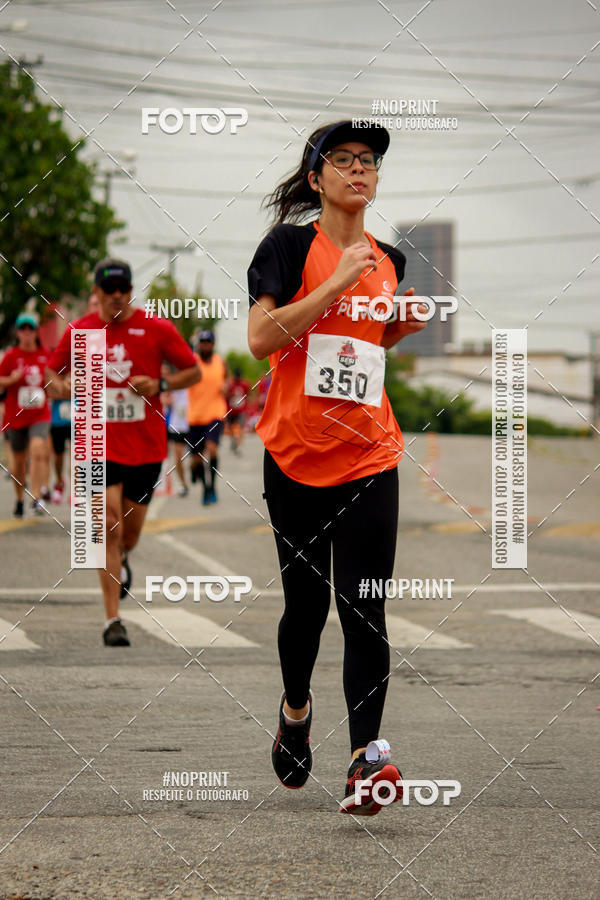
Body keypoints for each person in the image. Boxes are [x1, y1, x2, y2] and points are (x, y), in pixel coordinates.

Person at [247, 120, 429, 815]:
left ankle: (364, 761)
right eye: (344, 161)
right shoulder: (290, 247)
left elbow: (360, 345)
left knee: (364, 605)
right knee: (305, 607)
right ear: (317, 177)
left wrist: (394, 330)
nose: (359, 170)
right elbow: (264, 337)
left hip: (370, 454)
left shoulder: (390, 261)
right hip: (294, 457)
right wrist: (337, 283)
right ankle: (296, 709)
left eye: (369, 163)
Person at [47, 259, 201, 647]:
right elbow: (52, 377)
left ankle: (124, 558)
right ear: (96, 292)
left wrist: (160, 382)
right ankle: (112, 620)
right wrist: (65, 388)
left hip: (146, 448)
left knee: (128, 535)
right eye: (109, 289)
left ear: (131, 291)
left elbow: (193, 371)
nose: (117, 296)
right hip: (95, 443)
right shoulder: (78, 331)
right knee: (106, 527)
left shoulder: (156, 329)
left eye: (124, 289)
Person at [0, 311, 51, 518]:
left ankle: (37, 497)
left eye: (31, 328)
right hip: (15, 415)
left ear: (36, 332)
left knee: (39, 450)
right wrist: (12, 380)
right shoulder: (11, 356)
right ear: (18, 332)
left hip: (40, 414)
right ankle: (20, 498)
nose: (27, 333)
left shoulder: (45, 355)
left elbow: (55, 376)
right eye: (23, 329)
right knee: (17, 464)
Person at [187, 329, 227, 505]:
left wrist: (226, 386)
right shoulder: (192, 361)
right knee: (196, 460)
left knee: (212, 449)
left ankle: (212, 487)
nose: (205, 345)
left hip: (215, 412)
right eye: (202, 342)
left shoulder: (220, 362)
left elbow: (227, 379)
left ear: (213, 344)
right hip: (195, 416)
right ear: (199, 344)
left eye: (208, 342)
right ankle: (204, 485)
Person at [226, 367, 251, 454]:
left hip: (240, 410)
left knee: (239, 428)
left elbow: (248, 395)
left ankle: (238, 445)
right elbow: (226, 396)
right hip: (231, 410)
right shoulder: (230, 384)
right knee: (232, 429)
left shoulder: (244, 384)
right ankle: (234, 442)